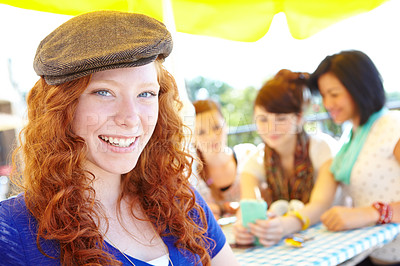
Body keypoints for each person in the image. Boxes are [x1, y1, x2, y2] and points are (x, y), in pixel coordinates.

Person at [0, 11, 239, 265]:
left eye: (146, 94)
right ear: (61, 108)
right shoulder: (12, 232)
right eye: (104, 92)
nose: (131, 117)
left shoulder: (181, 201)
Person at [238, 50, 400, 265]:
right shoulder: (353, 137)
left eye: (334, 93)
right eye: (324, 95)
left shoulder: (393, 126)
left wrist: (370, 213)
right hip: (373, 253)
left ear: (360, 87)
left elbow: (325, 204)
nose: (327, 104)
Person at [233, 69, 339, 247]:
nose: (270, 128)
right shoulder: (255, 160)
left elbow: (321, 204)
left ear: (299, 118)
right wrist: (243, 227)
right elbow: (248, 204)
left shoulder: (323, 148)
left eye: (281, 119)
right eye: (262, 119)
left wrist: (285, 225)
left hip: (333, 239)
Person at [192, 99, 255, 220]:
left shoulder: (246, 155)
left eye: (216, 127)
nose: (211, 137)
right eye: (201, 132)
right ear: (192, 137)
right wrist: (222, 208)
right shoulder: (190, 174)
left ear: (225, 125)